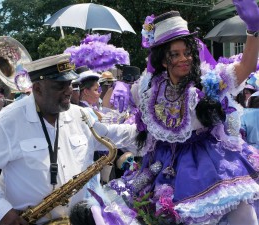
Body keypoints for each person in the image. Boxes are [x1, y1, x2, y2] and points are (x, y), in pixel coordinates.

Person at [108, 1, 259, 224]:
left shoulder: (208, 83)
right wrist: (118, 85)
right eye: (175, 54)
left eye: (187, 52)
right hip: (163, 166)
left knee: (244, 213)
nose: (183, 59)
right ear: (162, 59)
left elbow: (245, 66)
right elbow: (130, 104)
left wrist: (253, 30)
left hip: (210, 163)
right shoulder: (149, 88)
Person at [0, 53, 137, 224]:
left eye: (70, 84)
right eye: (60, 86)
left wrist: (147, 129)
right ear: (38, 88)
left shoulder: (80, 115)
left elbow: (110, 134)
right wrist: (2, 211)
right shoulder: (6, 122)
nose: (69, 91)